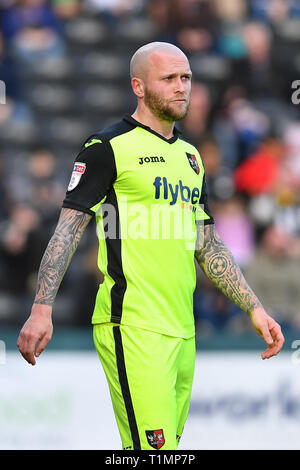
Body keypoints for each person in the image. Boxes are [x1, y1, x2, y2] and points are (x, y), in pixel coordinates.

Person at [17, 41, 285, 451]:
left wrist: (254, 306)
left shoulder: (192, 157)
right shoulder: (106, 148)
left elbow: (208, 244)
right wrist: (41, 308)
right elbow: (67, 230)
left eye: (186, 78)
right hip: (133, 326)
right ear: (138, 86)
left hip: (183, 330)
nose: (182, 88)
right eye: (170, 78)